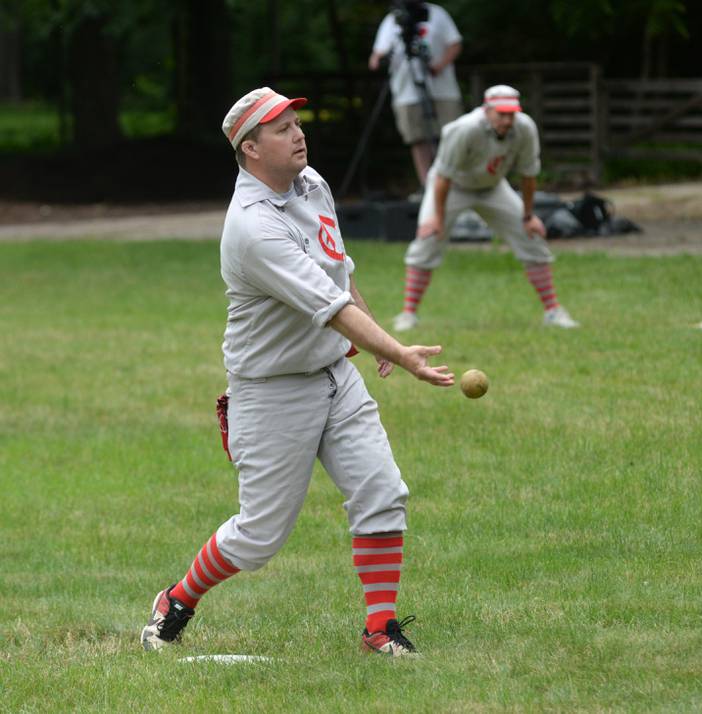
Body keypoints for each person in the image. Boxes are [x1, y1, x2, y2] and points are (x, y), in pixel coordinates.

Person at [139, 87, 454, 658]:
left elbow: (338, 272)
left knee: (382, 492)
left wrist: (377, 336)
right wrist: (401, 353)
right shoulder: (252, 227)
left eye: (297, 122)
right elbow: (328, 308)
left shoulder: (312, 185)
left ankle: (380, 628)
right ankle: (176, 599)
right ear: (252, 148)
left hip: (335, 376)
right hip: (272, 392)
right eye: (283, 129)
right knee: (258, 537)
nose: (299, 134)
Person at [393, 84, 579, 332]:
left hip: (493, 187)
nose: (507, 120)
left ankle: (554, 311)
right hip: (452, 186)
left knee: (530, 236)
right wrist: (436, 218)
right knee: (427, 239)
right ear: (487, 110)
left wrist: (528, 215)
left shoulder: (525, 128)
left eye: (511, 114)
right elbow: (443, 178)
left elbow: (528, 175)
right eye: (501, 114)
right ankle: (408, 314)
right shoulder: (464, 129)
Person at [369, 0, 463, 186]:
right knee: (417, 139)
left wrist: (439, 65)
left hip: (442, 89)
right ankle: (427, 185)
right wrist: (380, 59)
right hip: (406, 91)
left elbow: (455, 44)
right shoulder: (393, 19)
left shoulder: (437, 13)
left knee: (451, 135)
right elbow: (376, 56)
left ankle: (452, 183)